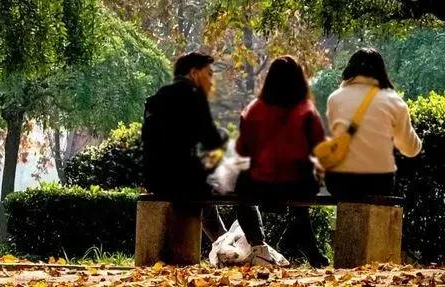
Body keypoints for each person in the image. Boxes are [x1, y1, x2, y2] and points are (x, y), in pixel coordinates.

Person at [142, 50, 275, 263]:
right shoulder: (193, 96)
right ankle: (259, 249)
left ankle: (223, 243)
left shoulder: (157, 99)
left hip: (157, 180)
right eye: (210, 74)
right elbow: (212, 140)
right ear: (194, 73)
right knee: (245, 180)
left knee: (205, 184)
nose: (212, 81)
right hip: (183, 179)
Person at [236, 56, 329, 266]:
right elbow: (319, 148)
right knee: (301, 195)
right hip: (299, 184)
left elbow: (243, 150)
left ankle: (258, 246)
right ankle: (310, 250)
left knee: (240, 187)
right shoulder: (306, 110)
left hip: (260, 184)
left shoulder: (253, 109)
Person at [325, 48, 422, 197]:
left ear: (349, 70)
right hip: (378, 183)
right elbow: (411, 149)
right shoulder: (393, 100)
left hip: (339, 182)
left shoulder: (335, 99)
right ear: (381, 72)